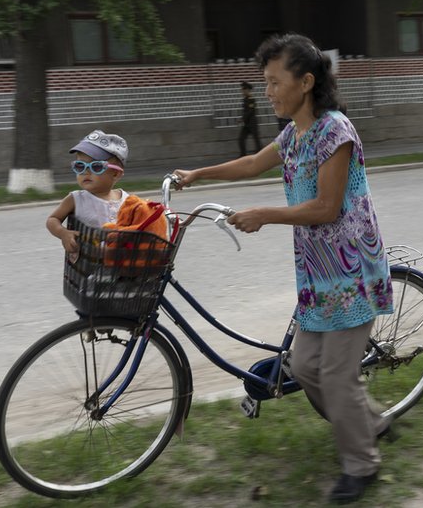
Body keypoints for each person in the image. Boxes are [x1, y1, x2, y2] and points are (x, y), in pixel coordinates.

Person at [172, 33, 394, 504]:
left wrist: (263, 214)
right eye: (265, 82)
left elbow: (328, 207)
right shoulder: (294, 132)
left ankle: (363, 464)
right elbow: (254, 162)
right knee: (302, 365)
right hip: (317, 271)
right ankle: (371, 423)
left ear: (306, 81)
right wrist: (197, 174)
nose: (268, 91)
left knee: (334, 374)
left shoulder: (335, 131)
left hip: (352, 268)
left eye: (275, 82)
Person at [46, 129, 129, 253]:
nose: (85, 171)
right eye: (80, 166)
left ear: (116, 173)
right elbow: (52, 219)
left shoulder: (127, 200)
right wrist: (63, 233)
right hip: (88, 263)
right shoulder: (75, 199)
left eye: (96, 166)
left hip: (121, 261)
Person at [237, 81, 261, 156]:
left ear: (247, 90)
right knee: (241, 139)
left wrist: (242, 119)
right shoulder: (245, 99)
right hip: (247, 124)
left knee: (256, 140)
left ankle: (260, 155)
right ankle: (243, 155)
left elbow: (250, 111)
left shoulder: (251, 99)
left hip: (252, 123)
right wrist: (243, 119)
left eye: (243, 90)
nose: (242, 91)